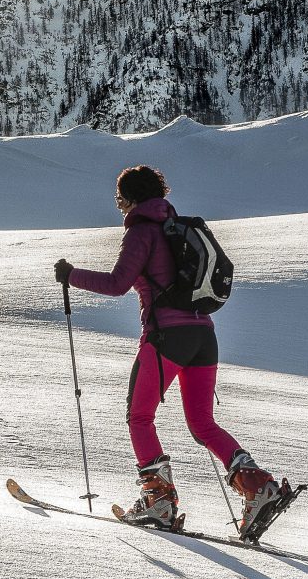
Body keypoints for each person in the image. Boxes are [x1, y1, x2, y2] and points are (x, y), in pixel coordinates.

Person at [53, 164, 288, 537]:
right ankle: (258, 487)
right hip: (203, 335)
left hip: (167, 337)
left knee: (139, 416)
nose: (120, 207)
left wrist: (71, 275)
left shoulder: (141, 232)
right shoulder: (175, 227)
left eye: (120, 200)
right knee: (202, 423)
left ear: (129, 198)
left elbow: (117, 284)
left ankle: (158, 502)